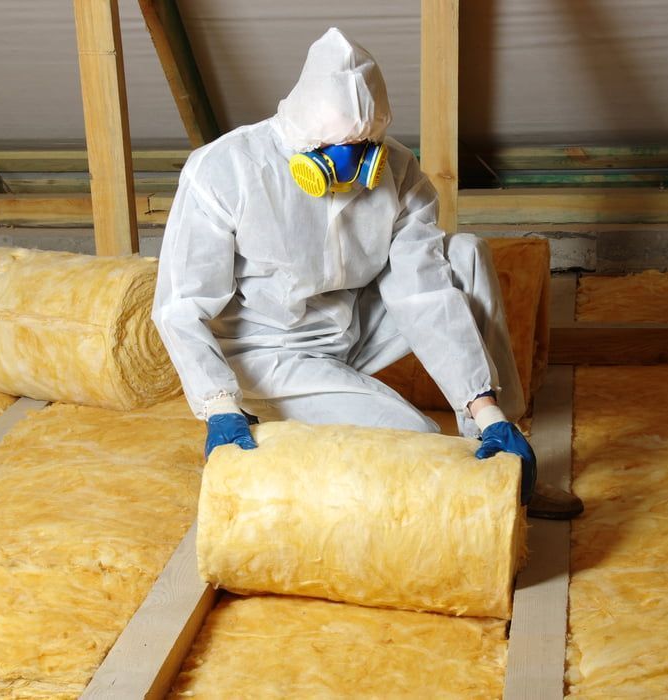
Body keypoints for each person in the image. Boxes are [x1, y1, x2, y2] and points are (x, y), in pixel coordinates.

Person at [153, 28, 582, 519]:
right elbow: (181, 306)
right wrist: (219, 404)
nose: (350, 164)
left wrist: (484, 407)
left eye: (363, 145)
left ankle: (498, 450)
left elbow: (423, 290)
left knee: (464, 255)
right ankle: (467, 474)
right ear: (302, 134)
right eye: (334, 148)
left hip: (354, 325)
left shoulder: (396, 169)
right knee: (417, 441)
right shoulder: (225, 170)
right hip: (270, 353)